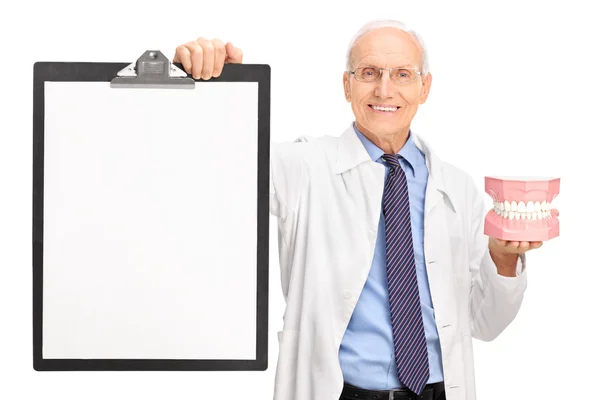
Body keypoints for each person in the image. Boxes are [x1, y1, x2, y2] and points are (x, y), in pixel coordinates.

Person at [173, 20, 544, 400]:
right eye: (369, 73)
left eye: (402, 74)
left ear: (424, 87)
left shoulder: (458, 188)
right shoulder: (304, 167)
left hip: (439, 393)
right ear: (347, 85)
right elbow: (216, 167)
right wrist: (209, 86)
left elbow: (484, 323)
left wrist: (501, 260)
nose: (385, 89)